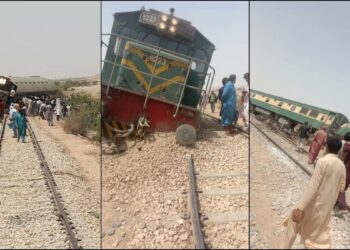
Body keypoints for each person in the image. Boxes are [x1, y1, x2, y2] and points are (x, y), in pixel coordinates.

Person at [280, 136, 345, 249]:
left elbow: (313, 187)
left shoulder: (322, 161)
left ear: (327, 147)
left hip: (313, 205)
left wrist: (300, 208)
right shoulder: (342, 166)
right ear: (338, 149)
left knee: (293, 223)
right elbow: (342, 188)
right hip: (326, 209)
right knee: (315, 237)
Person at [335, 132, 350, 212]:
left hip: (347, 169)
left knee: (342, 186)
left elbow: (345, 148)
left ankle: (342, 206)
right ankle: (337, 203)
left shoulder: (346, 145)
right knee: (343, 186)